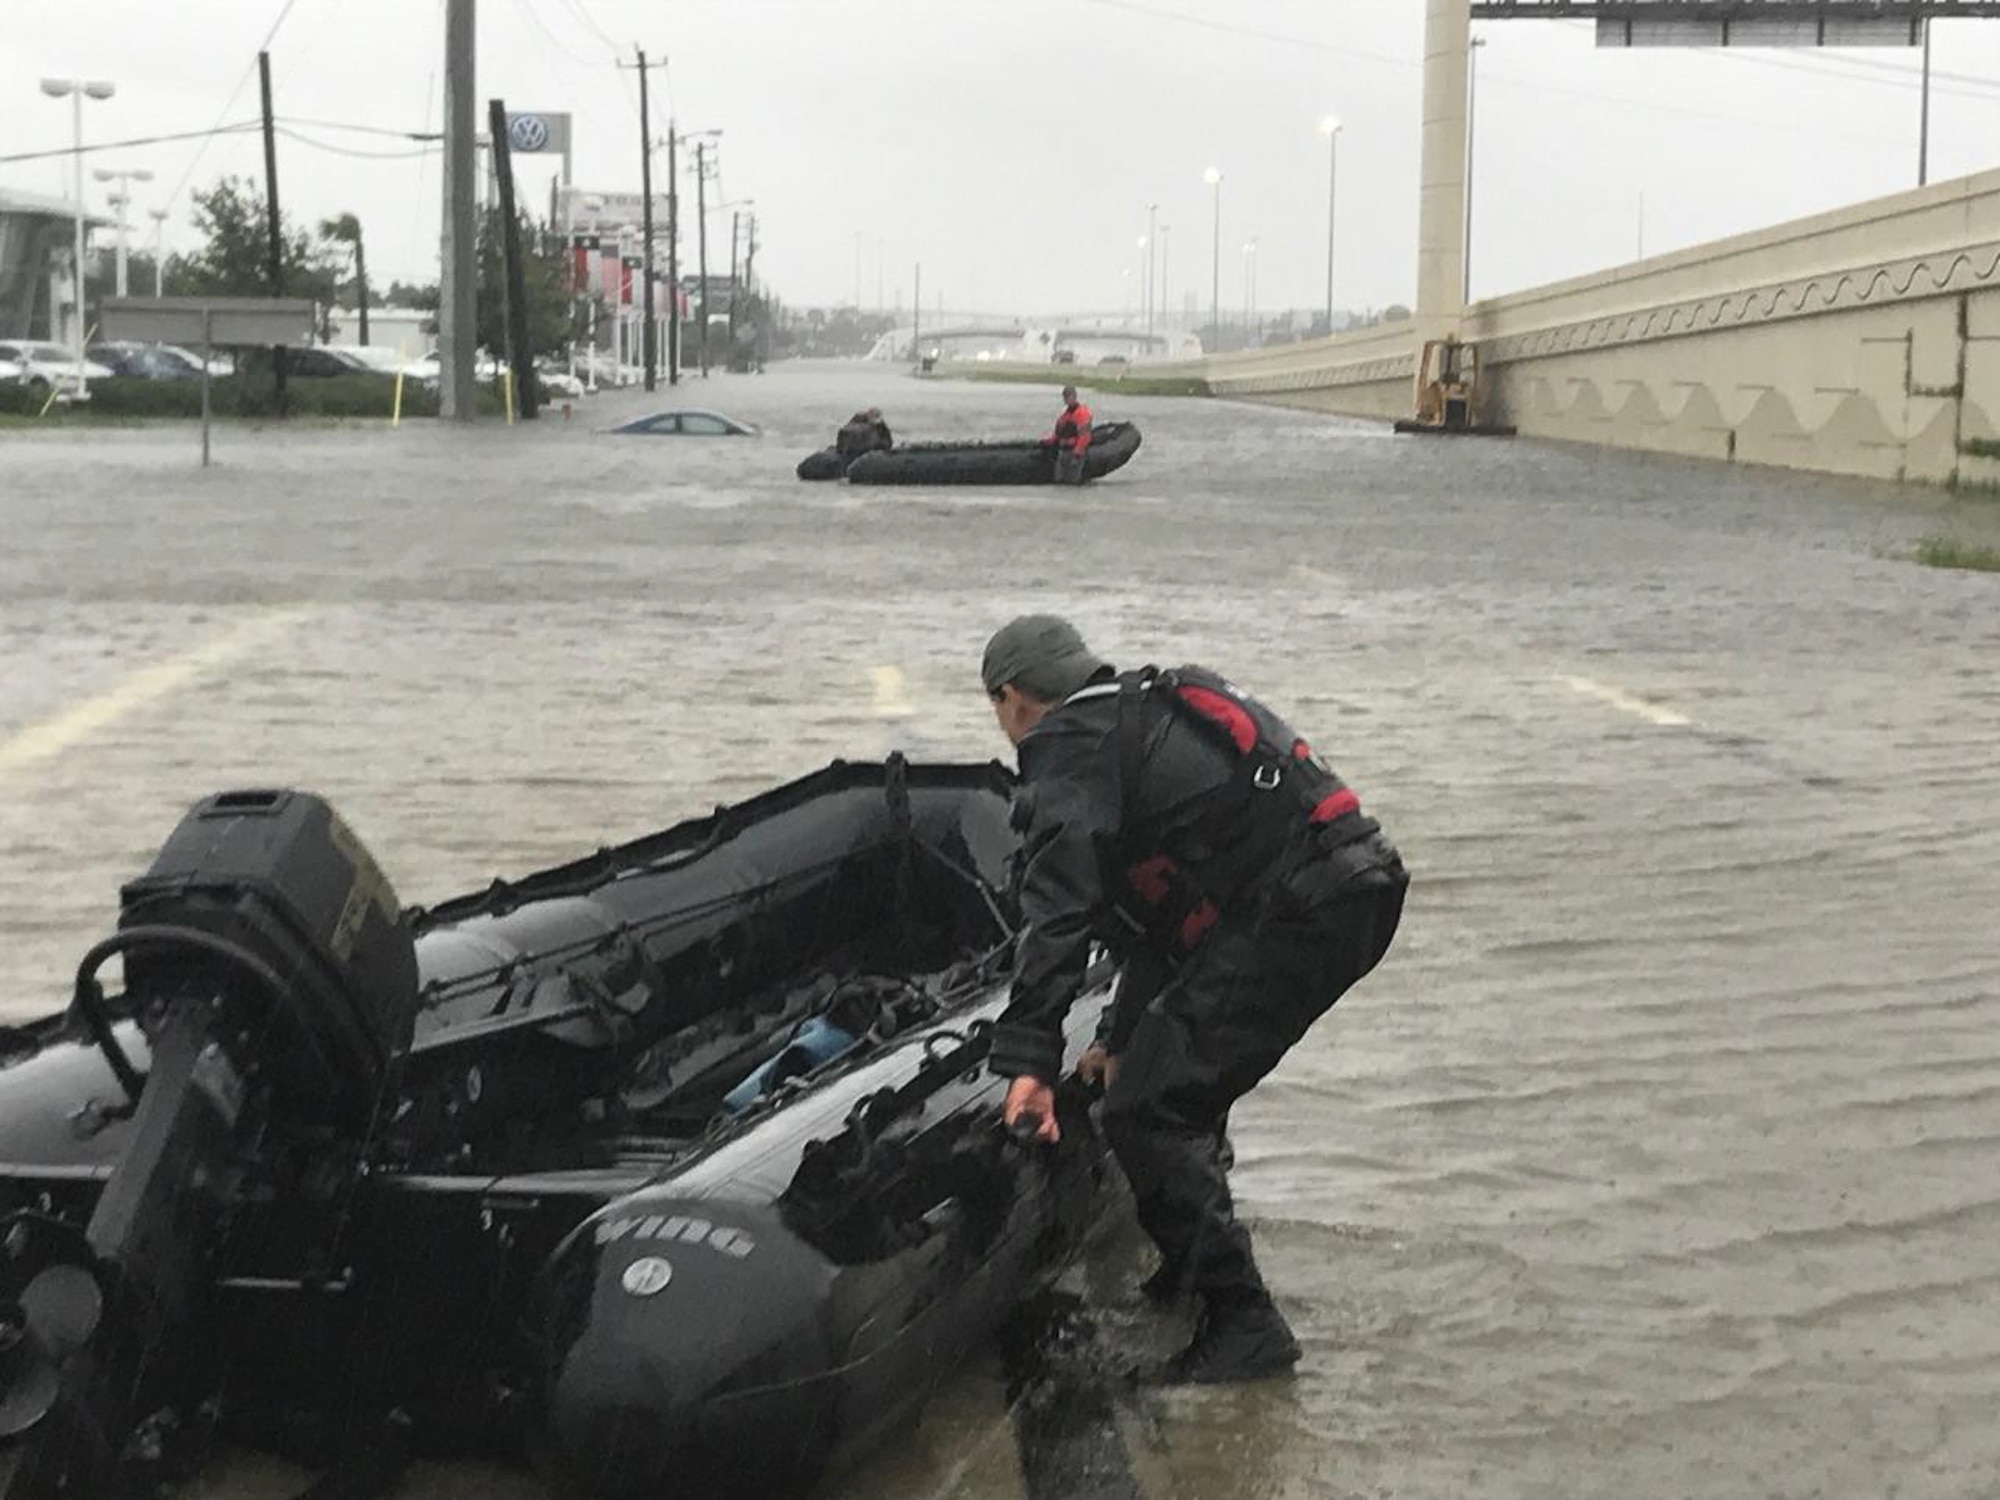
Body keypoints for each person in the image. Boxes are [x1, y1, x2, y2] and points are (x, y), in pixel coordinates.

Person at [980, 615, 1406, 1384]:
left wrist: (1030, 1062)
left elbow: (1060, 912)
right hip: (1348, 888)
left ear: (1012, 699)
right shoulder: (1138, 713)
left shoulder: (1070, 746)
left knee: (1150, 1107)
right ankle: (1191, 1280)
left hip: (1299, 907)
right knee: (1166, 1075)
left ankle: (1244, 1322)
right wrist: (1113, 1037)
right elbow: (1165, 926)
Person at [1043, 386, 1092, 484]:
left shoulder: (1082, 413)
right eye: (1065, 397)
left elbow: (1084, 436)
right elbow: (1058, 434)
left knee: (1072, 482)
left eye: (1068, 397)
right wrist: (1048, 441)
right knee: (1059, 481)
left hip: (1074, 453)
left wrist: (1077, 453)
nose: (1066, 400)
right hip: (1063, 452)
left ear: (1074, 397)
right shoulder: (1065, 415)